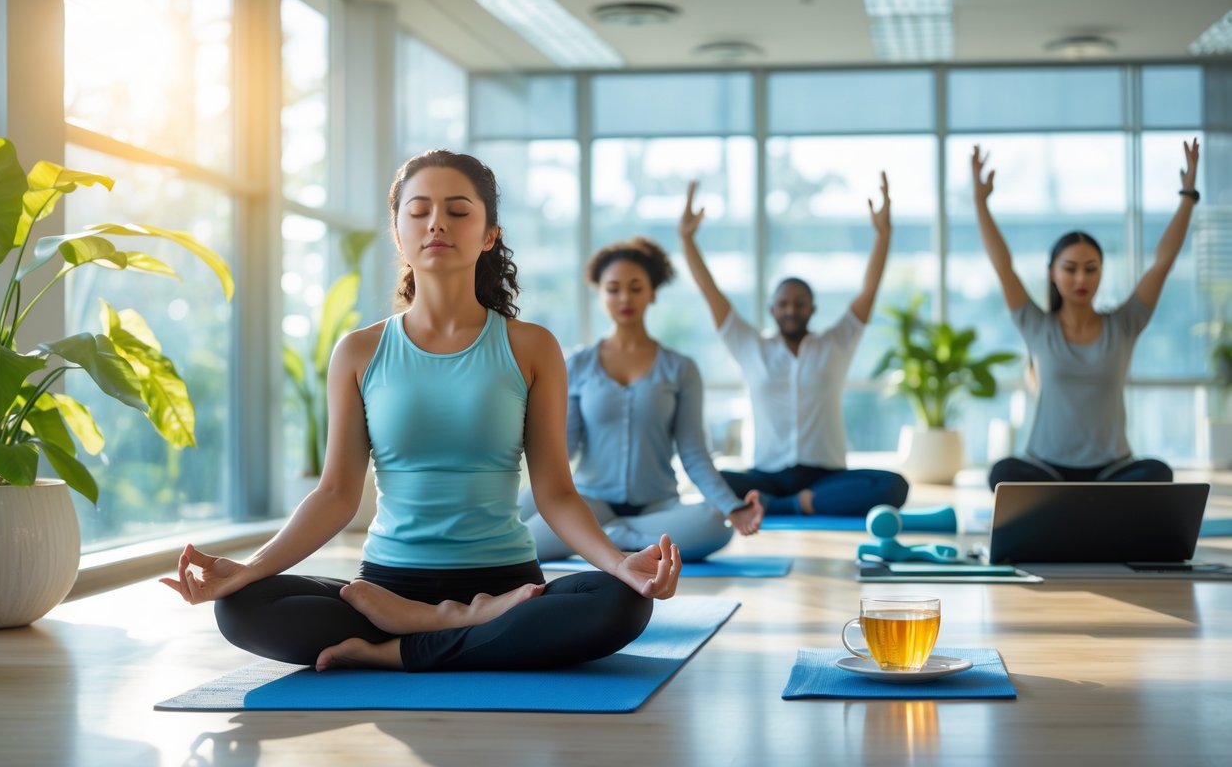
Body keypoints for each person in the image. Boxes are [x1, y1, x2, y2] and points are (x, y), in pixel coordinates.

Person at [162, 150, 680, 673]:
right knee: (242, 607)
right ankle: (471, 629)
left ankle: (402, 645)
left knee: (622, 601)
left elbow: (556, 493)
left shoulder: (531, 346)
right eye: (419, 211)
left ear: (489, 235)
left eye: (457, 210)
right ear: (398, 233)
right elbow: (336, 493)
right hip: (388, 587)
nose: (436, 223)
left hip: (503, 582)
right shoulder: (359, 352)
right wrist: (249, 570)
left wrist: (620, 566)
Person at [519, 237, 765, 562]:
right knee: (520, 543)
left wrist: (732, 506)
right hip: (589, 502)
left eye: (636, 288)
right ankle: (617, 538)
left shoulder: (680, 368)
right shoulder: (578, 365)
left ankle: (611, 536)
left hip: (659, 507)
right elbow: (564, 447)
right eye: (613, 289)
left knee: (716, 524)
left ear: (652, 293)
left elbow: (693, 453)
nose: (625, 297)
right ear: (600, 293)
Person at [973, 140, 1200, 488]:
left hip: (1112, 472)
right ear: (1052, 273)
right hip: (1046, 470)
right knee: (1003, 474)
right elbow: (1003, 266)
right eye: (1070, 268)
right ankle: (1088, 509)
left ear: (1101, 272)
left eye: (1091, 269)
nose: (1081, 278)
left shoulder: (1124, 324)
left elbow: (1162, 264)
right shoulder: (1036, 325)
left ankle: (1077, 508)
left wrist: (1187, 196)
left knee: (1158, 474)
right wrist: (980, 202)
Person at [680, 175, 909, 518]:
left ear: (812, 309)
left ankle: (780, 507)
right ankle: (793, 504)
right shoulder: (750, 346)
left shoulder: (836, 343)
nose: (791, 310)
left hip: (825, 477)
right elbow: (711, 291)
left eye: (800, 303)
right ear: (772, 309)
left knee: (893, 485)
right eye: (783, 303)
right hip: (765, 476)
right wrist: (687, 240)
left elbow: (868, 291)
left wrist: (883, 234)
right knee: (711, 479)